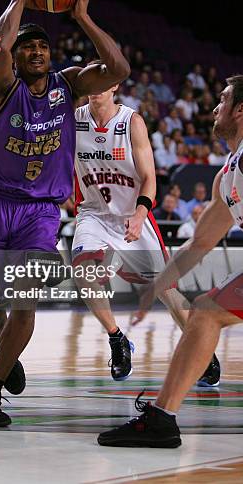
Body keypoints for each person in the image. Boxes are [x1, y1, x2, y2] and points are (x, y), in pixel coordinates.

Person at [0, 0, 131, 427]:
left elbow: (118, 69)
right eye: (28, 47)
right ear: (15, 58)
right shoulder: (1, 88)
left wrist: (82, 17)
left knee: (26, 302)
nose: (36, 51)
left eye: (43, 46)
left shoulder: (69, 85)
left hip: (40, 212)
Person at [97, 75, 243, 448]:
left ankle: (162, 419)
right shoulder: (228, 175)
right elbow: (202, 241)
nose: (214, 108)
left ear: (240, 110)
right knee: (205, 312)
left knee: (207, 312)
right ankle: (162, 418)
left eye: (223, 100)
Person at [73, 83, 192, 381]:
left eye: (104, 80)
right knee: (82, 272)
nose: (96, 86)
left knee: (167, 292)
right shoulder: (73, 119)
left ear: (115, 85)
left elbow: (150, 179)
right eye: (91, 79)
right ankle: (117, 338)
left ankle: (201, 350)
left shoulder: (131, 122)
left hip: (133, 214)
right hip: (94, 213)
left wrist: (140, 215)